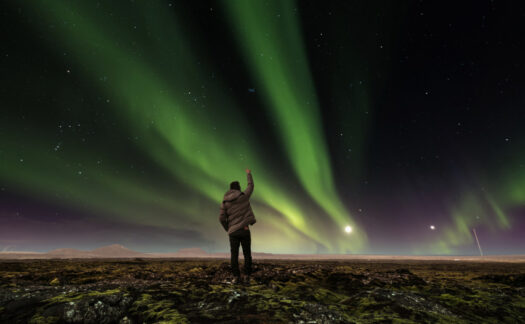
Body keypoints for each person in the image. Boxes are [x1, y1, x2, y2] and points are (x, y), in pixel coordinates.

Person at [219, 169, 256, 284]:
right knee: (247, 254)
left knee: (234, 255)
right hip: (244, 230)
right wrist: (248, 173)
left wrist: (228, 229)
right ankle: (247, 277)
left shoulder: (225, 202)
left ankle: (236, 277)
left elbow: (221, 218)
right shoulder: (243, 196)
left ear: (230, 189)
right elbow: (251, 186)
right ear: (239, 188)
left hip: (233, 232)